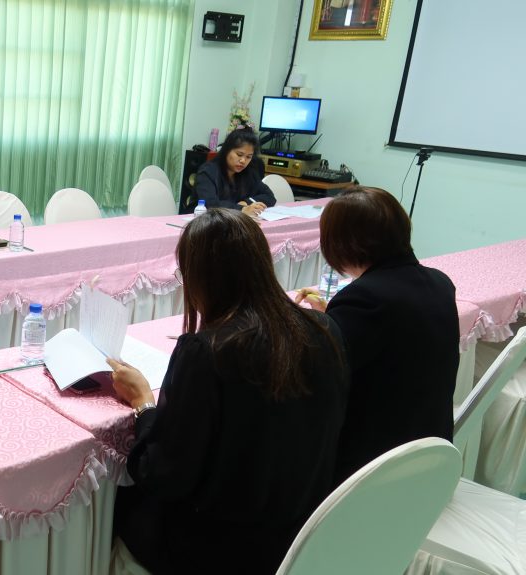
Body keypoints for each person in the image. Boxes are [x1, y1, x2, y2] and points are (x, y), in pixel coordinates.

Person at [107, 209, 349, 574]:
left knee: (114, 504)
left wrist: (143, 404)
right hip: (299, 537)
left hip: (216, 551)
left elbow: (163, 473)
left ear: (200, 278)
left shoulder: (208, 352)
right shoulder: (323, 327)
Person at [295, 186, 459, 484]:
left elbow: (319, 374)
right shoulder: (440, 283)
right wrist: (333, 316)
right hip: (430, 451)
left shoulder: (365, 297)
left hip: (374, 467)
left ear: (344, 243)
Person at [191, 127, 277, 216]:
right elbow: (210, 204)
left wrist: (246, 202)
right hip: (200, 219)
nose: (243, 161)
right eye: (239, 154)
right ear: (227, 151)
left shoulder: (248, 172)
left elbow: (269, 196)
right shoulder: (208, 171)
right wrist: (242, 209)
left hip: (232, 219)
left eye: (248, 157)